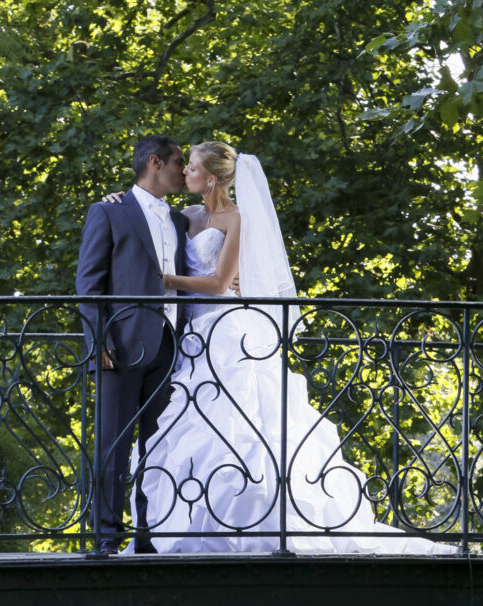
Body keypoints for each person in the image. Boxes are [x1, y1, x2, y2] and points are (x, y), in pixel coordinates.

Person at [109, 142, 456, 554]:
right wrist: (119, 200)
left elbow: (219, 283)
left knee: (240, 426)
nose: (185, 172)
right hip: (190, 336)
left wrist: (165, 281)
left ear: (212, 178)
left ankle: (246, 523)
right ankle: (182, 525)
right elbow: (147, 218)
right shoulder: (185, 216)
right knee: (184, 429)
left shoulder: (235, 218)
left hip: (227, 331)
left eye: (193, 168)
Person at [75, 134, 189, 553]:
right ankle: (106, 537)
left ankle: (148, 534)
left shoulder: (181, 221)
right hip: (119, 347)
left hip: (171, 346)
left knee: (157, 444)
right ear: (155, 162)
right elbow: (88, 284)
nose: (184, 171)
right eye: (178, 162)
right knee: (113, 444)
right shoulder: (109, 211)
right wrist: (99, 340)